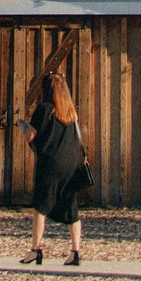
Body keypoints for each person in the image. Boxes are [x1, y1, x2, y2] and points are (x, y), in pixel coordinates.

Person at [20, 69, 91, 266]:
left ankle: (36, 249)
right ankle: (75, 251)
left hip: (51, 162)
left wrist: (23, 126)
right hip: (70, 163)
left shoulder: (44, 109)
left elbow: (32, 136)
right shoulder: (70, 112)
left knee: (41, 206)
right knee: (71, 207)